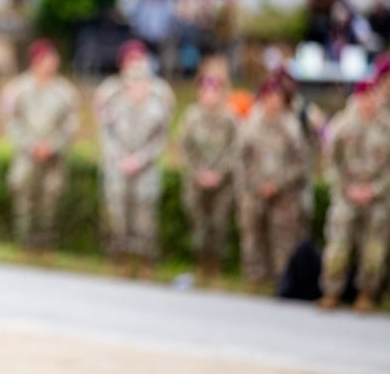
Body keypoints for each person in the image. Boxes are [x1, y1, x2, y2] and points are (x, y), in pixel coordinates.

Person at [93, 39, 175, 278]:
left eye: (140, 60)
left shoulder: (160, 92)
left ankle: (146, 262)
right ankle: (118, 259)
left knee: (145, 216)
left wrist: (138, 160)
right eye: (131, 60)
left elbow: (162, 134)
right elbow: (104, 129)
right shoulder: (110, 90)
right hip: (117, 164)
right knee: (116, 213)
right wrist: (120, 158)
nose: (135, 66)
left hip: (145, 166)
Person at [0, 38, 80, 251]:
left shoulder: (65, 92)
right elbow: (11, 121)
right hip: (27, 156)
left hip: (54, 158)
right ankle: (24, 242)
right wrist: (31, 145)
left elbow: (71, 125)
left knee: (51, 200)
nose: (54, 62)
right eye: (49, 58)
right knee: (24, 198)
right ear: (37, 60)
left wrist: (52, 146)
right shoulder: (17, 89)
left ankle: (47, 244)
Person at [318, 80, 390, 312]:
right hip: (346, 194)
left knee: (374, 248)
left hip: (377, 197)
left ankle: (366, 293)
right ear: (357, 98)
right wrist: (346, 188)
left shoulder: (386, 126)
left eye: (373, 95)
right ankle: (331, 290)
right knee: (337, 244)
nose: (370, 101)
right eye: (365, 96)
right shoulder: (342, 124)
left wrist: (374, 189)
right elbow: (330, 161)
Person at [235, 76, 307, 289]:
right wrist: (256, 183)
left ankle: (282, 278)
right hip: (254, 189)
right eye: (268, 96)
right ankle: (254, 276)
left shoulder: (291, 126)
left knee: (283, 238)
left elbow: (300, 162)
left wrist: (278, 183)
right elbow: (241, 158)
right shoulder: (250, 124)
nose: (272, 100)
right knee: (252, 234)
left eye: (277, 96)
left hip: (284, 192)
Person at [178, 57, 239, 280]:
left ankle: (216, 266)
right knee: (199, 224)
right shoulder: (191, 117)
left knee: (219, 224)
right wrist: (200, 173)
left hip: (222, 182)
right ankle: (200, 263)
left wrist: (219, 173)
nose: (210, 95)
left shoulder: (230, 119)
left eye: (214, 90)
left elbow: (235, 150)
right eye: (205, 89)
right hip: (197, 181)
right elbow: (185, 149)